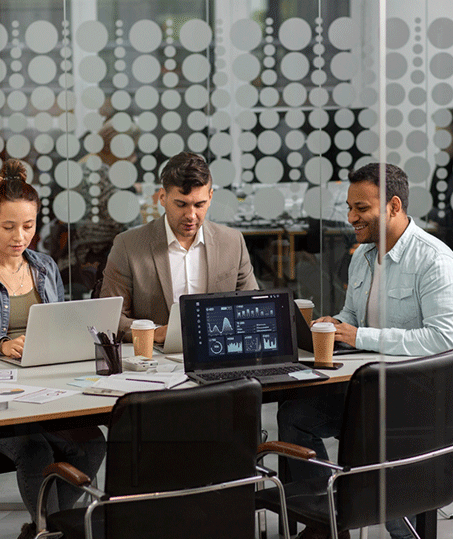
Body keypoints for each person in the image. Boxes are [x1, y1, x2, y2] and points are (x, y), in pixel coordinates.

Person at [278, 163, 453, 539]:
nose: (350, 217)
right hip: (368, 392)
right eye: (349, 207)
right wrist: (335, 324)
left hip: (416, 400)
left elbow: (444, 339)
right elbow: (354, 318)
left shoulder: (433, 260)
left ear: (393, 206)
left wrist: (360, 336)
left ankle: (370, 515)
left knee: (389, 501)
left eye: (361, 208)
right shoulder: (362, 256)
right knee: (295, 415)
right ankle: (330, 519)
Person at [0, 159, 106, 539]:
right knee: (34, 451)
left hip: (43, 386)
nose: (20, 237)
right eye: (8, 227)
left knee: (92, 443)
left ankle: (45, 528)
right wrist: (2, 343)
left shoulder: (43, 267)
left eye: (28, 226)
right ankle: (53, 531)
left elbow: (57, 325)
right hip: (5, 398)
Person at [100, 151, 258, 343]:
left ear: (210, 197)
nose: (191, 215)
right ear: (162, 197)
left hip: (218, 351)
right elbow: (110, 319)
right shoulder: (128, 246)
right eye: (181, 204)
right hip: (156, 357)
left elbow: (254, 309)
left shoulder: (232, 243)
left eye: (199, 205)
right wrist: (155, 333)